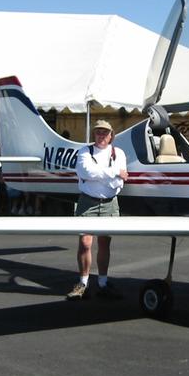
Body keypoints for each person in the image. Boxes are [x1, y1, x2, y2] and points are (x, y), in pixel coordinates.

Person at [66, 119, 129, 300]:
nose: (101, 136)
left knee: (104, 243)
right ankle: (83, 283)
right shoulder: (85, 151)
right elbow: (85, 172)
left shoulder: (119, 153)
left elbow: (119, 181)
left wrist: (100, 174)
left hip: (110, 203)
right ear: (94, 134)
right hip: (87, 202)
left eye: (105, 133)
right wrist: (113, 172)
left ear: (111, 136)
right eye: (98, 132)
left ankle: (102, 282)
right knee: (85, 243)